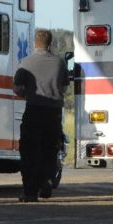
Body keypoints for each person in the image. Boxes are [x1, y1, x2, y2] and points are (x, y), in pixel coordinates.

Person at [13, 29, 68, 202]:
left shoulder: (26, 62)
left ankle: (30, 192)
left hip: (34, 110)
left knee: (30, 152)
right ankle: (47, 180)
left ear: (34, 43)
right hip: (53, 113)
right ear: (50, 43)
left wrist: (27, 93)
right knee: (50, 150)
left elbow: (17, 88)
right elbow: (64, 87)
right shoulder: (59, 63)